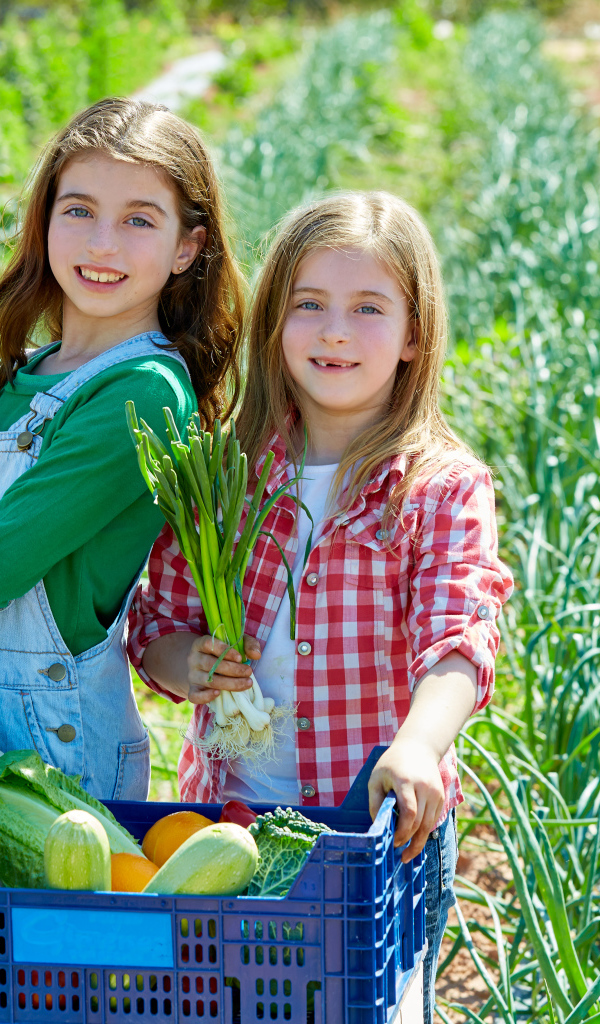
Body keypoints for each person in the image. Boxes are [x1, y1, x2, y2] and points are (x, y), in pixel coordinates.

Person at [128, 191, 513, 1020]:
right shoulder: (227, 468)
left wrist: (417, 745)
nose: (335, 331)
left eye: (368, 308)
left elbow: (459, 636)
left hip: (373, 832)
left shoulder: (437, 487)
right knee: (234, 1000)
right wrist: (180, 660)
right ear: (276, 324)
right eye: (309, 305)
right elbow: (158, 619)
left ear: (414, 335)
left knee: (364, 1002)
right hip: (234, 817)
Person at [0, 97, 243, 801]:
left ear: (186, 249)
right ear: (44, 222)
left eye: (138, 220)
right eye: (77, 211)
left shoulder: (143, 392)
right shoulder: (27, 370)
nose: (102, 244)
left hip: (53, 752)